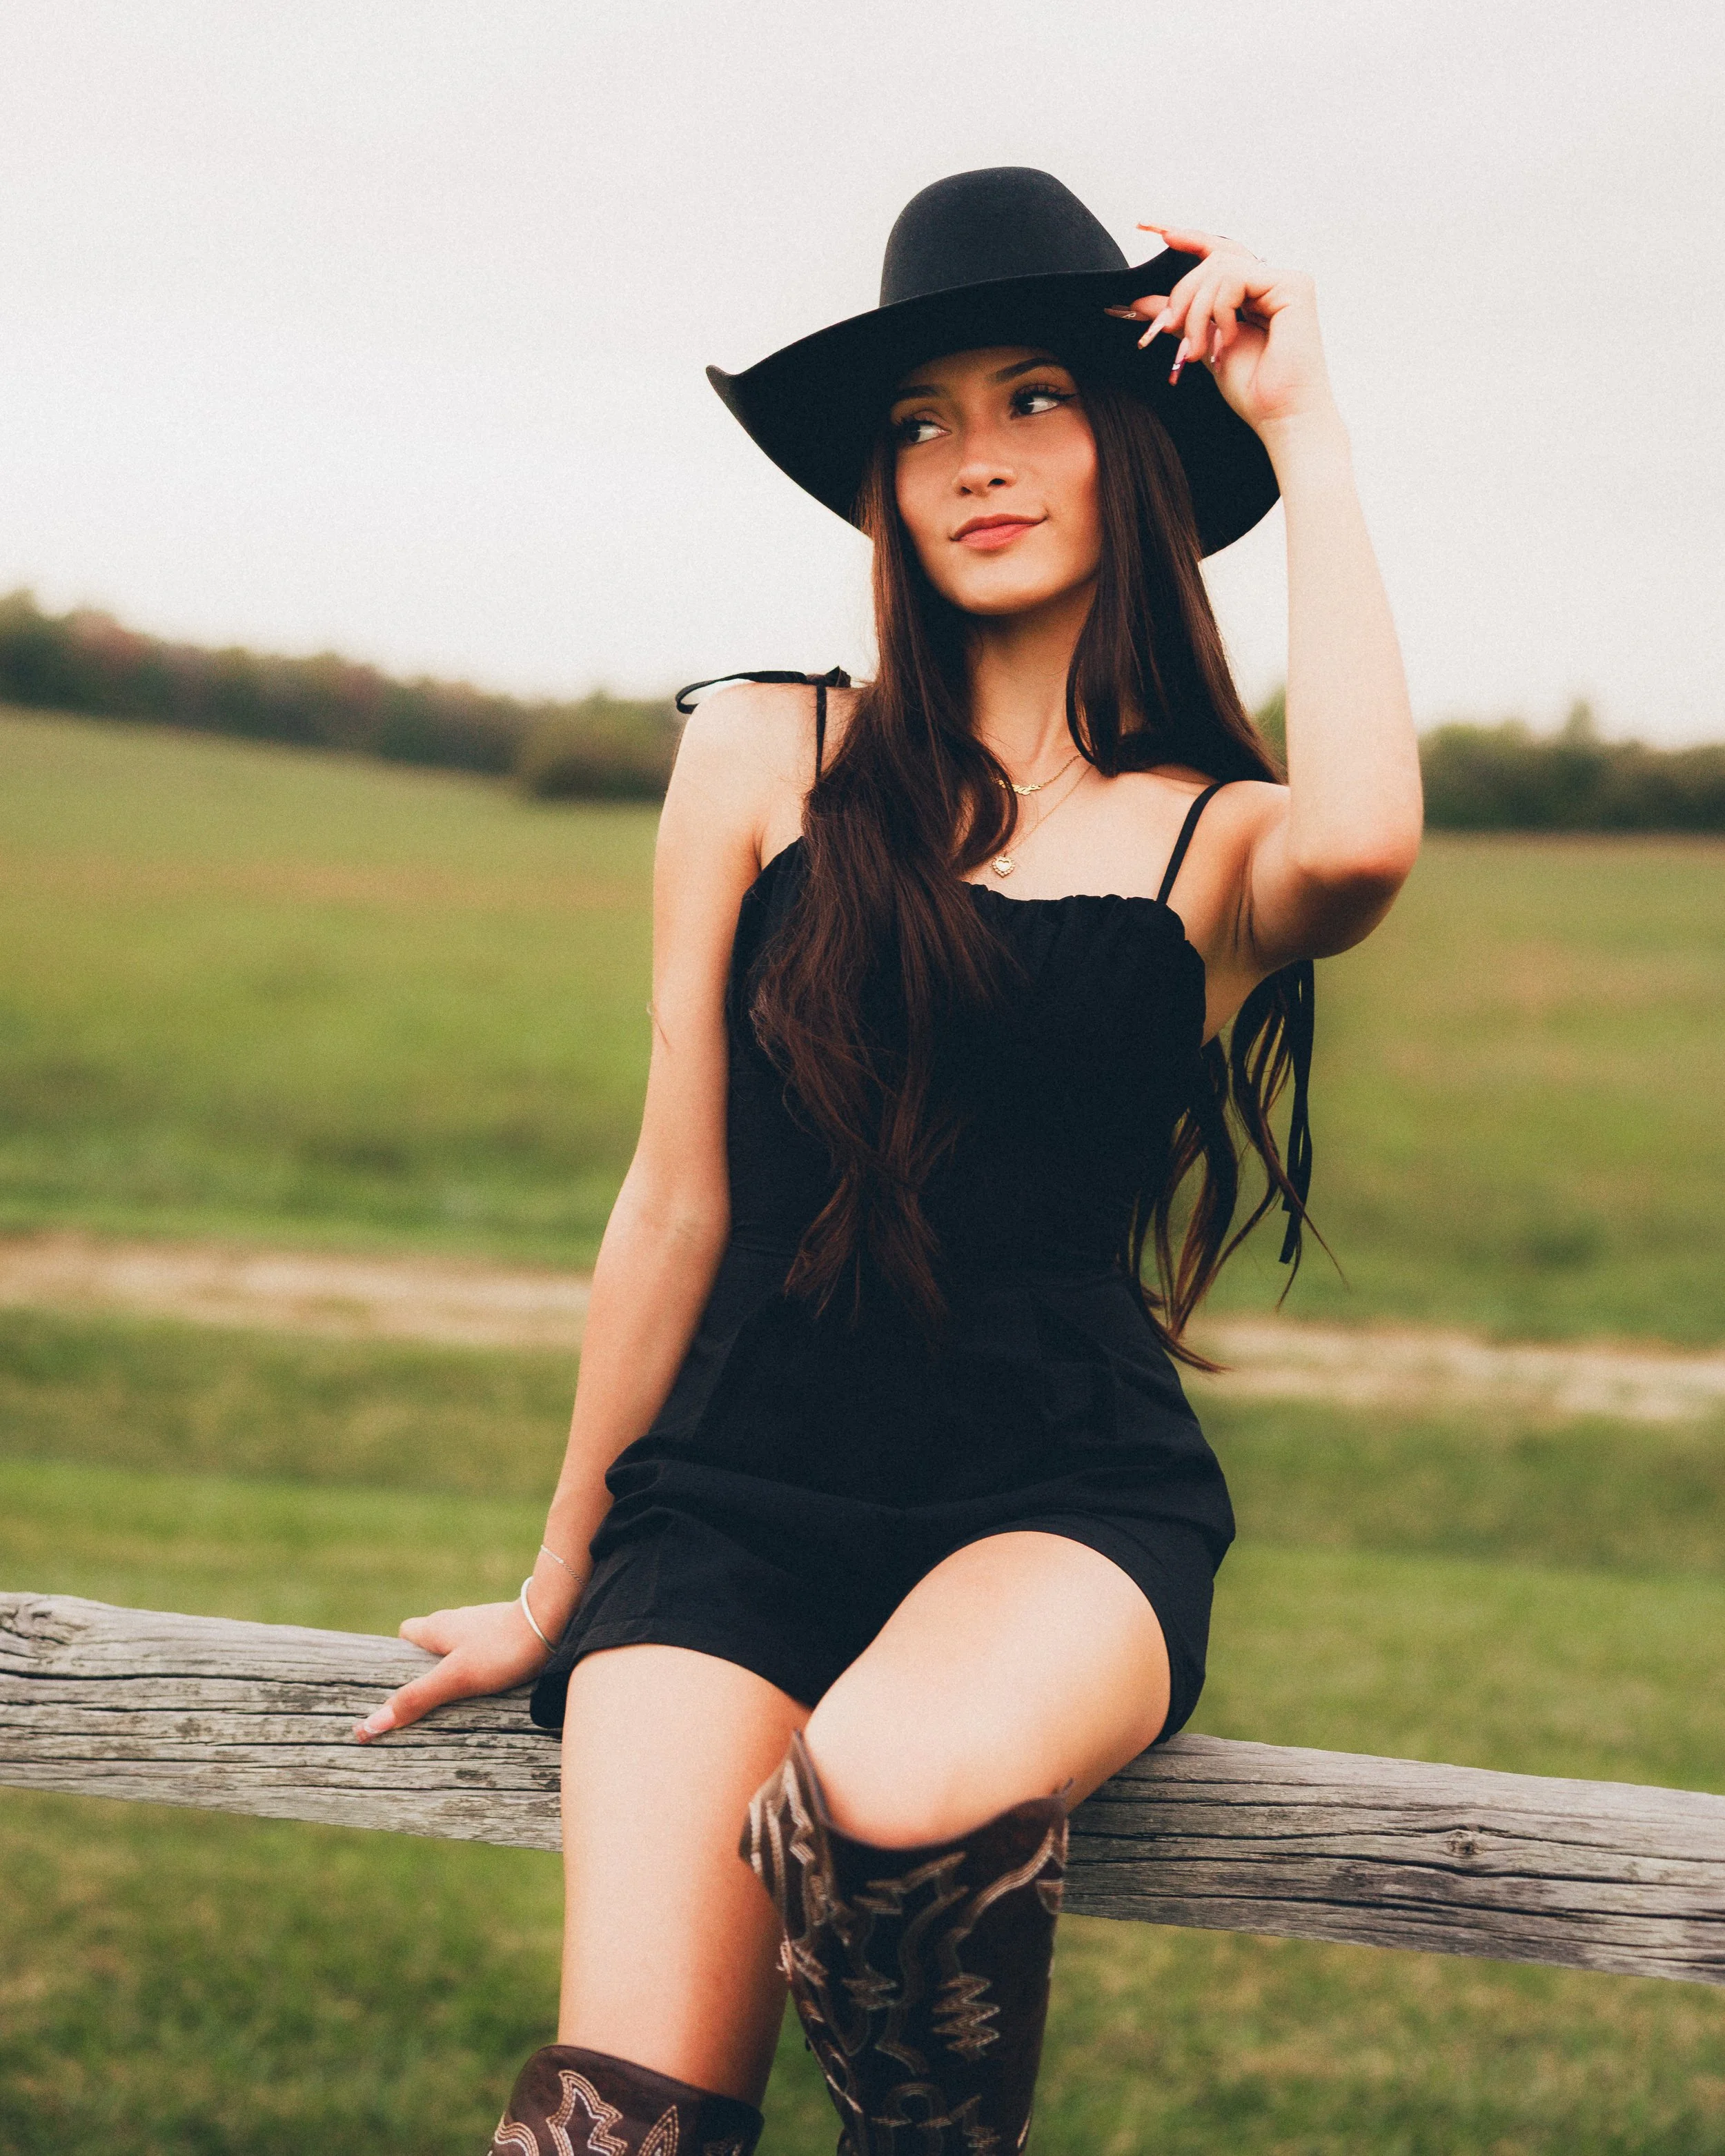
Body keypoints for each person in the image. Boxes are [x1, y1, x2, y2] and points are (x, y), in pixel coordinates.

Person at [354, 166, 1421, 2155]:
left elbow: (1366, 835)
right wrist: (555, 1576)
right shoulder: (764, 752)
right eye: (917, 423)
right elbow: (676, 1188)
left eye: (1032, 399)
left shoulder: (1220, 837)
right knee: (610, 2119)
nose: (970, 460)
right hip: (739, 1488)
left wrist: (1309, 423)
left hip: (1052, 1500)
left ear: (1132, 449)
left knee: (895, 1779)